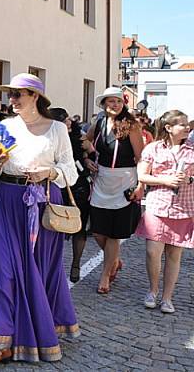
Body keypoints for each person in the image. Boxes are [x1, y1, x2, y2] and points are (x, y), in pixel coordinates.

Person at [0, 73, 79, 363]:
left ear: (35, 96)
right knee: (3, 269)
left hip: (45, 202)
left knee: (40, 269)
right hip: (8, 202)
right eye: (10, 95)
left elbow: (71, 171)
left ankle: (37, 329)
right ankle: (2, 338)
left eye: (18, 94)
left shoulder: (57, 129)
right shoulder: (1, 127)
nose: (12, 100)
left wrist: (49, 172)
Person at [86, 87, 144, 294]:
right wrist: (86, 158)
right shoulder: (99, 122)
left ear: (123, 104)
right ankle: (115, 260)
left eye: (118, 101)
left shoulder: (132, 125)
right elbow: (86, 140)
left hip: (124, 179)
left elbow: (140, 157)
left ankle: (105, 275)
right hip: (102, 180)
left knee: (114, 232)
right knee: (99, 231)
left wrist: (141, 184)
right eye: (111, 101)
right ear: (104, 104)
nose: (115, 105)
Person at [135, 110, 194, 314]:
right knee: (152, 252)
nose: (187, 127)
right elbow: (142, 175)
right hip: (157, 205)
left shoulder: (191, 151)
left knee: (174, 255)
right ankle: (153, 290)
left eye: (187, 124)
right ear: (168, 128)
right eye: (182, 124)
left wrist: (190, 180)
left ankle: (167, 297)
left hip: (182, 208)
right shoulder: (153, 148)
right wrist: (164, 180)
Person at [49, 108, 94, 282]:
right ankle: (55, 264)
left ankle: (76, 264)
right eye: (63, 119)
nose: (68, 121)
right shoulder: (50, 138)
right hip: (56, 185)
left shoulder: (80, 138)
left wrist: (87, 159)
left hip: (78, 185)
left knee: (79, 225)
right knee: (55, 225)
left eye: (68, 118)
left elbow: (92, 152)